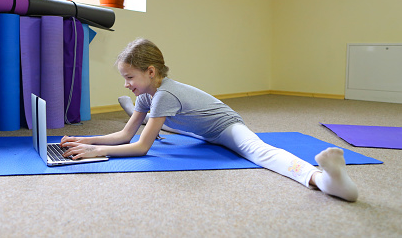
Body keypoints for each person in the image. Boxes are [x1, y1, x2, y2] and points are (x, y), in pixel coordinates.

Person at [60, 38, 359, 202]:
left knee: (261, 153)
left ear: (150, 72)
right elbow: (125, 135)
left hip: (225, 127)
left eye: (130, 77)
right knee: (153, 123)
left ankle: (325, 179)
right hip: (199, 131)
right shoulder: (147, 95)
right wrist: (85, 140)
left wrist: (97, 152)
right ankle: (159, 123)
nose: (126, 83)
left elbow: (140, 148)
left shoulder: (165, 94)